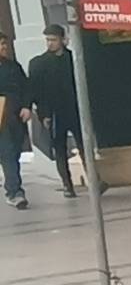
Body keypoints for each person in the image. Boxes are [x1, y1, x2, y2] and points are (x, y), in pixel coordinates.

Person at [26, 26, 79, 197]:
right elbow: (37, 91)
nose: (50, 43)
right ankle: (67, 184)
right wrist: (44, 114)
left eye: (53, 40)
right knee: (59, 149)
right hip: (55, 112)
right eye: (47, 40)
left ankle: (95, 179)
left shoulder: (73, 59)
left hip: (74, 109)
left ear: (63, 40)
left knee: (84, 145)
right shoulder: (39, 63)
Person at [0, 37, 27, 210]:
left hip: (14, 116)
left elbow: (25, 87)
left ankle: (12, 186)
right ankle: (14, 191)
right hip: (1, 117)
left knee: (15, 152)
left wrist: (26, 106)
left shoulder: (13, 67)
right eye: (0, 44)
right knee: (8, 152)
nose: (3, 47)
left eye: (4, 44)